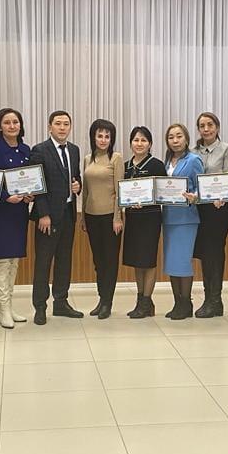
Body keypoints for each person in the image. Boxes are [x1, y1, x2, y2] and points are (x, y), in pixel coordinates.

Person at [30, 110, 83, 326]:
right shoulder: (39, 150)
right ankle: (40, 307)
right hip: (48, 217)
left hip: (68, 214)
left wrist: (78, 186)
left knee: (64, 260)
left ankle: (61, 302)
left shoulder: (74, 150)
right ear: (49, 127)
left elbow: (75, 176)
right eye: (58, 123)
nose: (62, 127)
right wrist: (43, 213)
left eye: (66, 124)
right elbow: (37, 184)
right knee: (43, 262)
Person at [0, 108, 32, 329]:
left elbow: (29, 179)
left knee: (14, 261)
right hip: (0, 211)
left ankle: (8, 306)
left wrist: (30, 194)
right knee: (3, 261)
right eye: (7, 122)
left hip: (19, 212)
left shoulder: (25, 149)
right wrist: (5, 197)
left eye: (15, 122)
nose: (12, 126)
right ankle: (3, 309)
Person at [192, 112, 228, 318]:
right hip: (198, 209)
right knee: (204, 254)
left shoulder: (226, 149)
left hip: (218, 210)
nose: (206, 129)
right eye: (202, 126)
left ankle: (215, 300)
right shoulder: (193, 151)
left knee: (214, 253)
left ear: (217, 127)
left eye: (210, 125)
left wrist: (223, 196)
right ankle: (208, 298)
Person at [81, 119, 125, 319]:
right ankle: (101, 299)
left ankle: (108, 302)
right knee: (98, 261)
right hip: (91, 216)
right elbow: (86, 190)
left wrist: (118, 217)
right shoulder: (87, 159)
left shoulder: (116, 158)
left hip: (110, 218)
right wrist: (83, 217)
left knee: (110, 261)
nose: (103, 140)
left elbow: (119, 190)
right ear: (93, 137)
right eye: (100, 136)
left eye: (107, 136)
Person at [121, 126, 166, 319]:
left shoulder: (156, 165)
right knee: (137, 261)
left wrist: (148, 200)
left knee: (148, 261)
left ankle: (146, 301)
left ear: (150, 144)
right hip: (132, 219)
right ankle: (141, 300)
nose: (139, 144)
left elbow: (164, 193)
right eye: (136, 140)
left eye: (143, 140)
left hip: (150, 219)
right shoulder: (125, 166)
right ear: (130, 143)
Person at [161, 123, 205, 320]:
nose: (175, 140)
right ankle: (177, 302)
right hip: (168, 217)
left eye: (179, 136)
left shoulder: (194, 160)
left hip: (187, 218)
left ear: (186, 139)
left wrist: (194, 196)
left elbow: (202, 187)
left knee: (183, 262)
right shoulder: (166, 161)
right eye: (171, 137)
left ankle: (186, 303)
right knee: (171, 262)